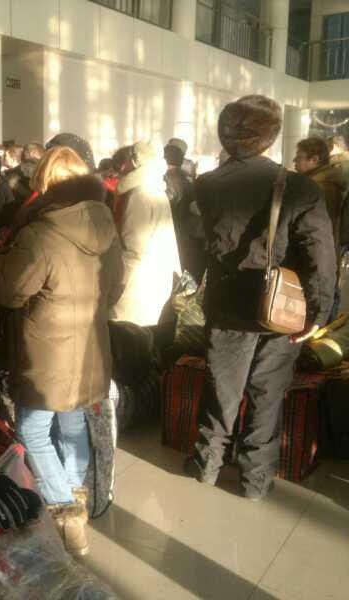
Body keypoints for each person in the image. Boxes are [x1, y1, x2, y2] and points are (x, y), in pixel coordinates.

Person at [187, 95, 336, 501]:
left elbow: (194, 246)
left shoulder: (206, 185)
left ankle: (207, 466)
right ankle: (254, 482)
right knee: (267, 396)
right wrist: (319, 312)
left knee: (222, 392)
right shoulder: (299, 186)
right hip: (282, 309)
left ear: (226, 136)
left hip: (226, 304)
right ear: (270, 137)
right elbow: (321, 255)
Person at [0, 175, 124, 558]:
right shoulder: (107, 232)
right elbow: (115, 289)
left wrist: (3, 259)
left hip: (46, 351)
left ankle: (66, 512)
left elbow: (7, 291)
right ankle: (76, 495)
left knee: (33, 430)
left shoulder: (40, 234)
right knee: (73, 421)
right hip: (91, 348)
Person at [110, 140, 181, 327]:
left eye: (128, 158)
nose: (123, 166)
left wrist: (115, 290)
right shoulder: (156, 190)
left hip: (137, 288)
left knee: (129, 338)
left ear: (135, 161)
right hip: (155, 280)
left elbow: (134, 250)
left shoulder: (139, 195)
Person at [294, 137, 347, 268]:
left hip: (317, 260)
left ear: (314, 160)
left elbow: (320, 231)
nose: (294, 160)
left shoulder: (322, 188)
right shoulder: (318, 183)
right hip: (319, 258)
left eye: (299, 157)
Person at [165, 142, 205, 281]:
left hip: (173, 229)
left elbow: (168, 202)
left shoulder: (167, 179)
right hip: (187, 232)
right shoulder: (188, 179)